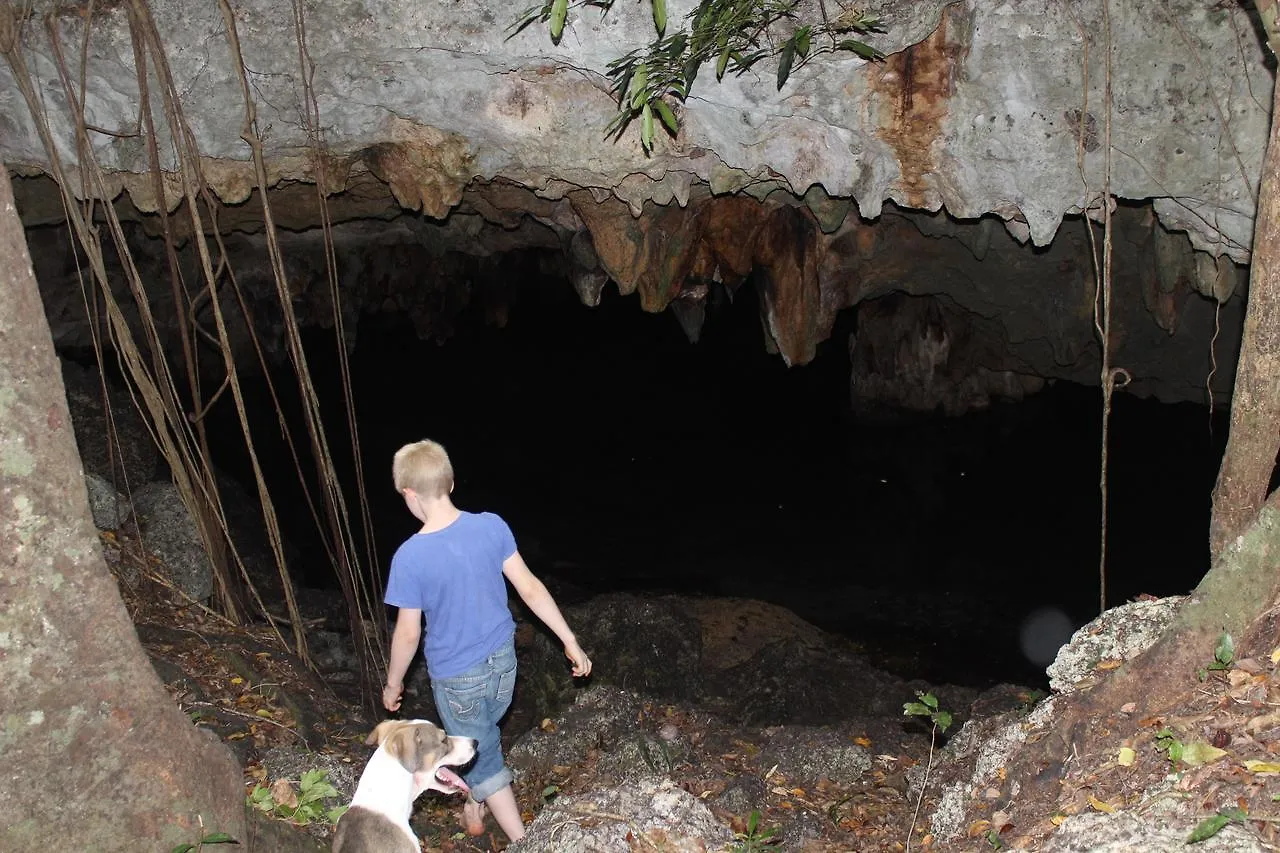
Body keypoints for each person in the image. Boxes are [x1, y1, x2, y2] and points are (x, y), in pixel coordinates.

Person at [381, 439, 592, 842]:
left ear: (409, 495)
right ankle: (475, 802)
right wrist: (570, 640)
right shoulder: (491, 526)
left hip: (459, 678)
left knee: (484, 755)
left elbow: (407, 633)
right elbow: (529, 588)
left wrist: (394, 684)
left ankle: (525, 843)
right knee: (483, 732)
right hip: (503, 665)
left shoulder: (410, 557)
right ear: (451, 483)